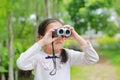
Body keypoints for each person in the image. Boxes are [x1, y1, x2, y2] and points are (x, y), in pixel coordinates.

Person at [16, 18, 99, 80]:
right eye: (54, 34)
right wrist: (42, 42)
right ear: (41, 37)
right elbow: (21, 63)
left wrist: (76, 37)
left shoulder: (68, 54)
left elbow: (93, 58)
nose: (59, 38)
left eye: (62, 33)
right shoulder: (37, 56)